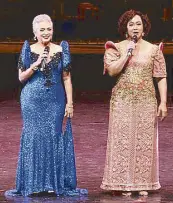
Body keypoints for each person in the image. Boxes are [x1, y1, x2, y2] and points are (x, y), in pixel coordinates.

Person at [5, 14, 87, 197]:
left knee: (53, 136)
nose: (46, 32)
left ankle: (52, 183)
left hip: (55, 101)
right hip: (32, 100)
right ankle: (33, 184)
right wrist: (35, 64)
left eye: (49, 29)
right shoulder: (28, 49)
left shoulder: (61, 49)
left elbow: (66, 78)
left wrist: (70, 103)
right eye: (42, 30)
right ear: (35, 32)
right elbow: (21, 77)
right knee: (33, 137)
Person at [100, 10, 167, 196]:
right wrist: (126, 54)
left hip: (146, 100)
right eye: (131, 24)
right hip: (122, 101)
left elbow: (160, 76)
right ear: (125, 28)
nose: (135, 27)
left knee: (144, 142)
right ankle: (121, 183)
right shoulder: (115, 47)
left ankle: (142, 183)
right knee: (122, 141)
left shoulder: (154, 49)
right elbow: (112, 71)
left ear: (144, 27)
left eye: (138, 24)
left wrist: (163, 102)